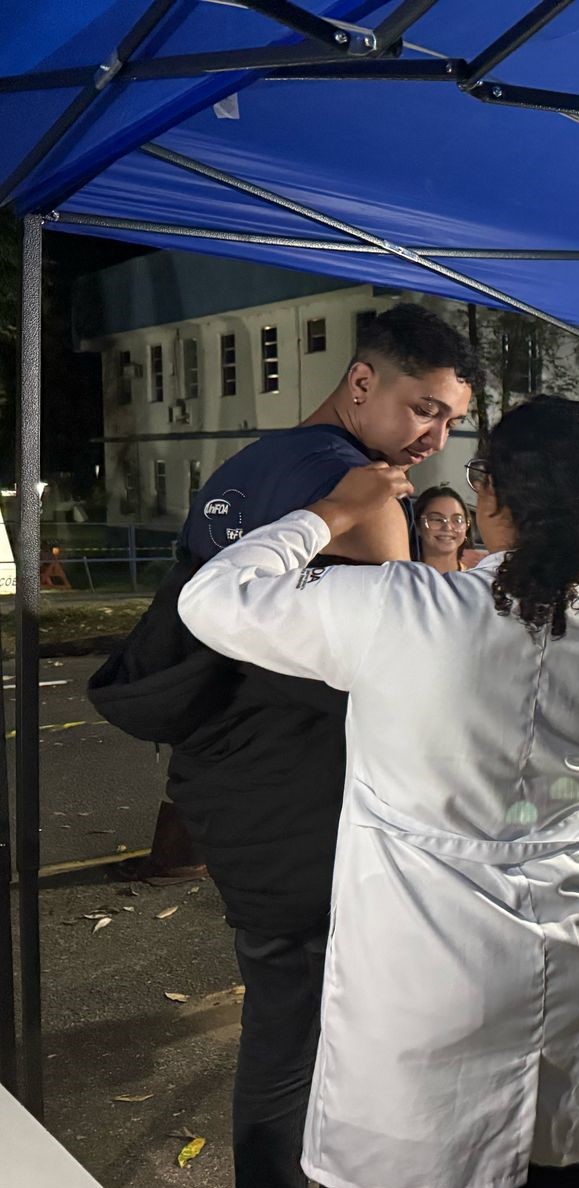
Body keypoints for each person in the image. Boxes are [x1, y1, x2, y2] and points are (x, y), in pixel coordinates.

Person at [178, 396, 579, 1188]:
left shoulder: (405, 608)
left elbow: (211, 597)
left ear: (492, 495)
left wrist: (334, 511)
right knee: (570, 1171)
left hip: (438, 985)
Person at [87, 302, 479, 1188]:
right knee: (308, 1033)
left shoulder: (243, 468)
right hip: (306, 795)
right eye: (424, 409)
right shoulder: (362, 496)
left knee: (279, 1008)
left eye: (452, 420)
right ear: (362, 382)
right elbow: (394, 671)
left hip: (221, 779)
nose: (436, 438)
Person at [415, 484, 474, 574]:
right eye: (437, 519)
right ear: (418, 526)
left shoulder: (477, 579)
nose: (447, 527)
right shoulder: (402, 577)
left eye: (457, 520)